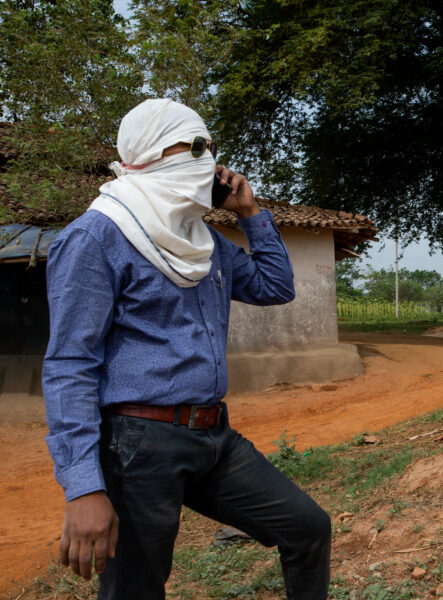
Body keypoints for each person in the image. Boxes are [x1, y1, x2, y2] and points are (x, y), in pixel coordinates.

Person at [42, 99, 331, 599]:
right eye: (195, 146)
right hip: (137, 444)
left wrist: (250, 213)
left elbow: (275, 286)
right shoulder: (96, 237)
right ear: (151, 152)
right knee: (137, 589)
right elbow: (70, 365)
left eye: (211, 147)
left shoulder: (205, 242)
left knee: (307, 528)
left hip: (211, 435)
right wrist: (84, 487)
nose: (208, 158)